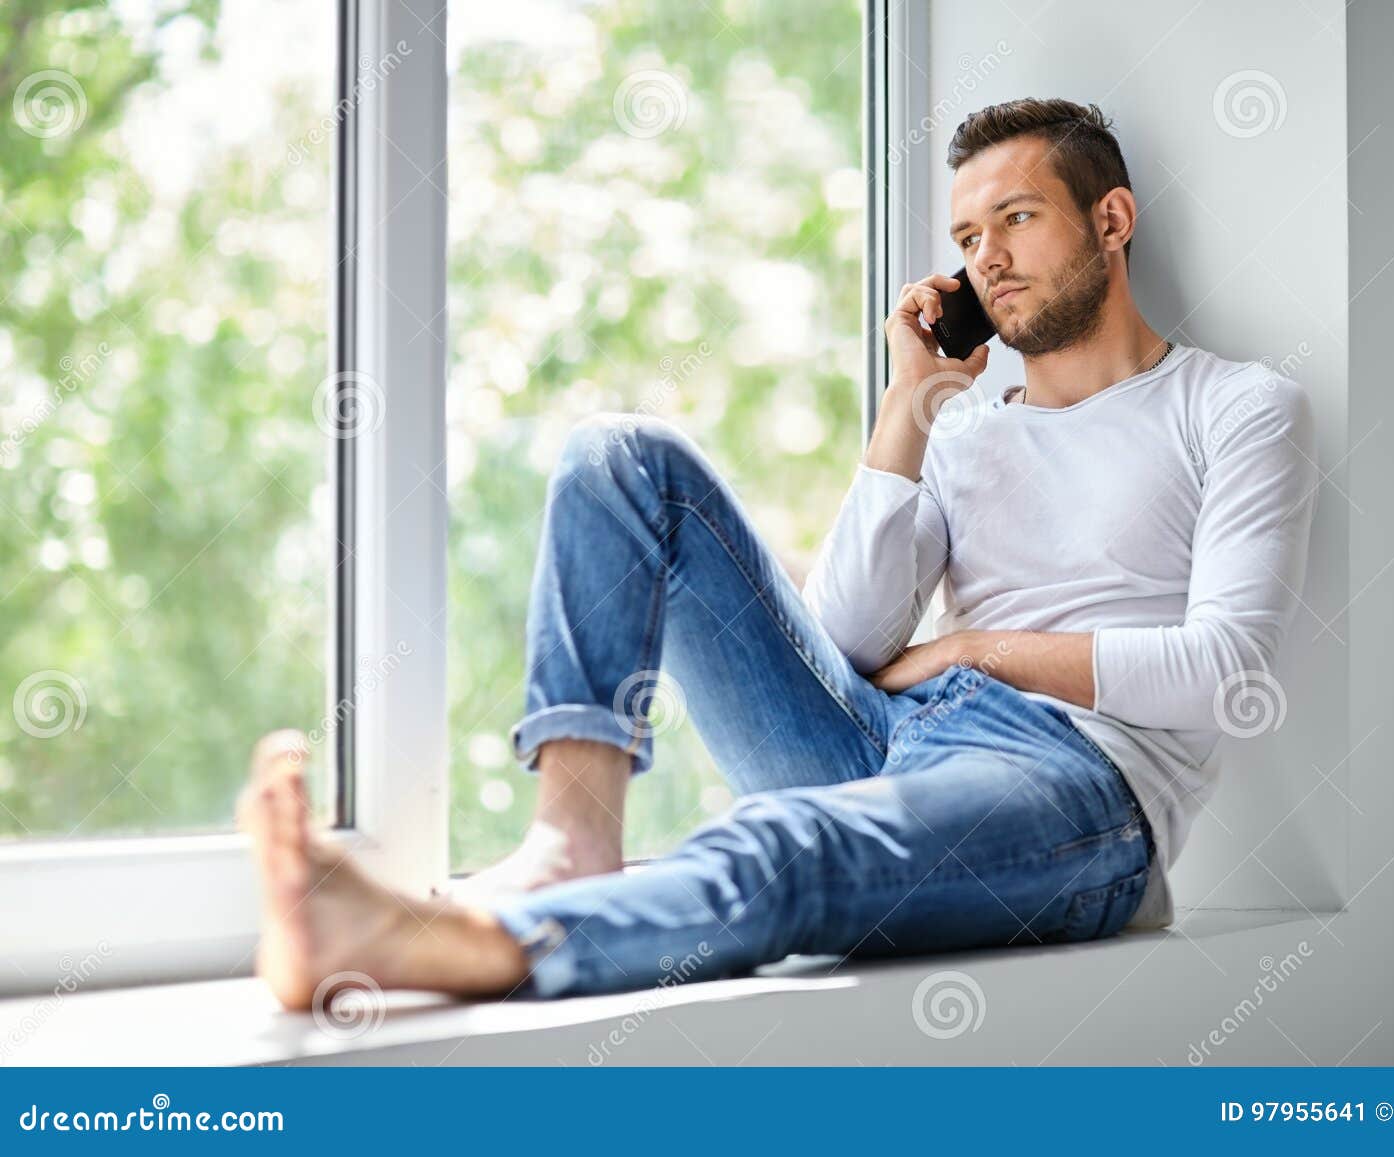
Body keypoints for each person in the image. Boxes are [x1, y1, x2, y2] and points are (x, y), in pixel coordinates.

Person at [238, 97, 1319, 1007]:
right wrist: (913, 401)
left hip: (1076, 788)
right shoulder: (965, 427)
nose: (985, 255)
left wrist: (973, 651)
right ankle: (572, 838)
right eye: (967, 237)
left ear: (1111, 218)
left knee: (788, 845)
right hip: (890, 733)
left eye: (1018, 218)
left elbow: (1226, 671)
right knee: (622, 455)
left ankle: (442, 945)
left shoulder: (1234, 405)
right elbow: (846, 639)